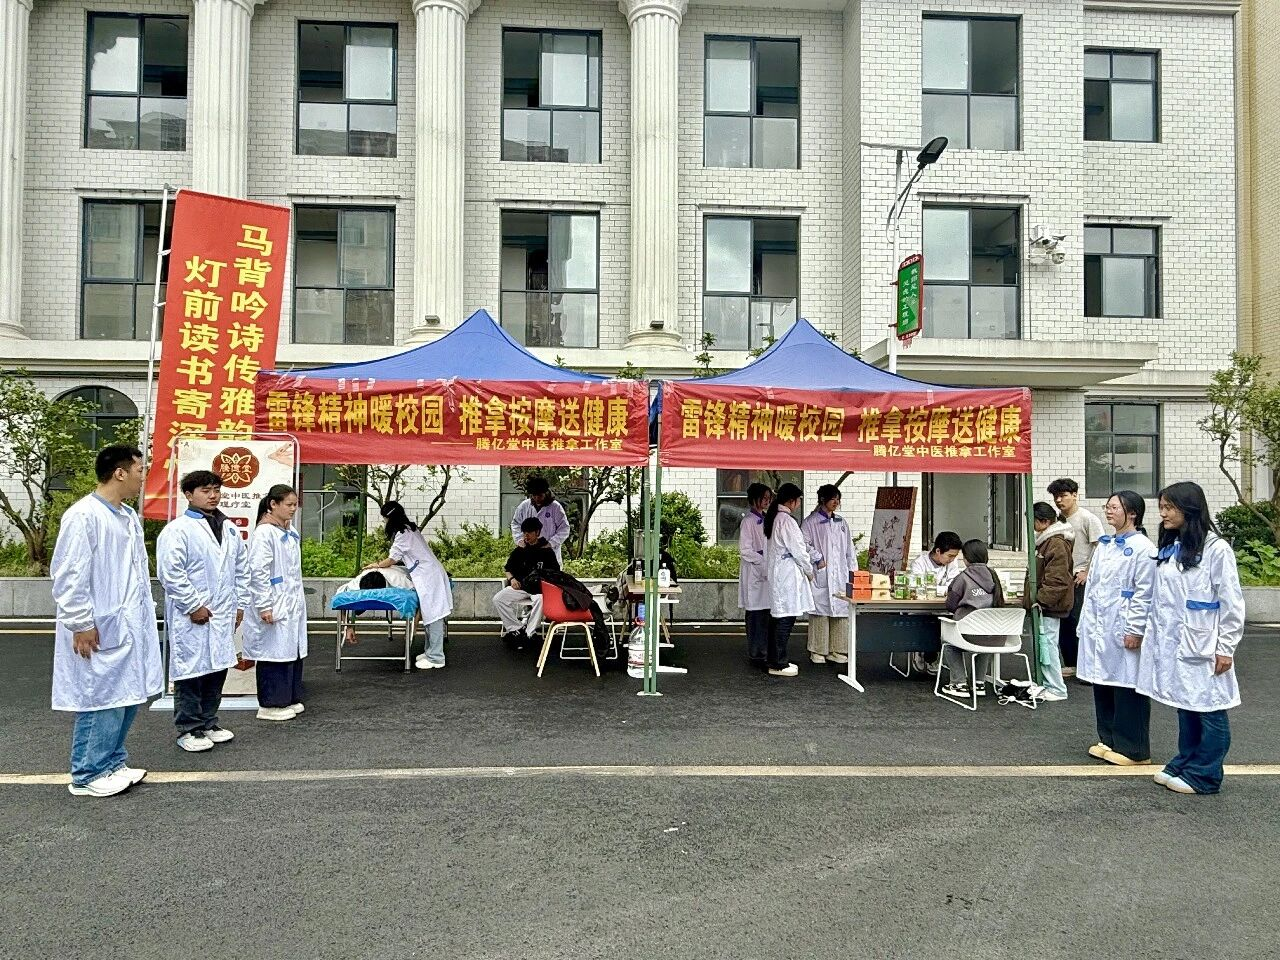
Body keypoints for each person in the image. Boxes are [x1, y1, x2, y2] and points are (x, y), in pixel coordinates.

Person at [51, 445, 163, 798]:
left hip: (128, 623)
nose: (143, 477)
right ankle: (87, 773)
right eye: (140, 470)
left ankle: (113, 761)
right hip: (98, 625)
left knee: (126, 695)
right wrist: (80, 622)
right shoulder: (84, 515)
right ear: (120, 472)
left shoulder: (127, 516)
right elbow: (69, 574)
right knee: (99, 698)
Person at [1137, 482, 1246, 795]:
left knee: (1210, 709)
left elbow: (1232, 603)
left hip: (1206, 645)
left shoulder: (1216, 550)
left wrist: (1226, 648)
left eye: (1169, 508)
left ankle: (1206, 774)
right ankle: (1186, 760)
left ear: (1190, 509)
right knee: (1186, 704)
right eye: (1162, 507)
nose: (1163, 514)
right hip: (1177, 644)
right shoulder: (1173, 547)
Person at [156, 470, 247, 753]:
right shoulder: (178, 530)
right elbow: (170, 573)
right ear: (189, 495)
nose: (213, 496)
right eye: (205, 491)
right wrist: (193, 605)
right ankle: (189, 727)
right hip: (192, 615)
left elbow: (241, 568)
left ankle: (209, 721)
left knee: (216, 668)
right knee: (190, 672)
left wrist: (240, 604)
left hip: (222, 612)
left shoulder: (229, 528)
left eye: (216, 490)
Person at [1077, 491, 1157, 765]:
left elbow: (1144, 593)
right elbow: (1093, 588)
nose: (1108, 511)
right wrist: (1085, 624)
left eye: (1114, 507)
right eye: (1107, 507)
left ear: (1132, 513)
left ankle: (1134, 748)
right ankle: (1109, 738)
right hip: (1100, 624)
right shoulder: (1105, 545)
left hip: (1122, 625)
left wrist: (1135, 628)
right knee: (1102, 680)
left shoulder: (1143, 548)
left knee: (1127, 685)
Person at [241, 485, 308, 722]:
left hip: (290, 600)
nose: (293, 509)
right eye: (288, 504)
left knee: (291, 651)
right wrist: (264, 605)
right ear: (273, 504)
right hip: (274, 600)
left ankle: (289, 697)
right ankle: (270, 704)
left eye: (295, 504)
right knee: (274, 653)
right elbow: (258, 572)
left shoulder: (289, 532)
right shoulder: (264, 533)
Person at [363, 501, 453, 671]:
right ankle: (431, 652)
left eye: (384, 519)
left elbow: (393, 558)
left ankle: (436, 657)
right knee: (430, 615)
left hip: (429, 576)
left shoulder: (403, 533)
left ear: (389, 518)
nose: (384, 522)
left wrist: (376, 565)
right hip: (429, 573)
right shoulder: (410, 528)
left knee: (433, 616)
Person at [1048, 478, 1105, 677]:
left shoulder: (1087, 518)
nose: (1059, 500)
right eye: (1056, 497)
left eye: (1063, 496)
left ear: (1074, 495)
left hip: (1079, 577)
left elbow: (1100, 547)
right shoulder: (1057, 521)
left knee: (1078, 621)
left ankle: (1084, 666)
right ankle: (1071, 663)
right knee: (1063, 620)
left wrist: (1087, 571)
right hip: (1061, 577)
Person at [939, 539, 1006, 698]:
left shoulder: (963, 577)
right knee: (985, 639)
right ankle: (978, 682)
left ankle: (959, 683)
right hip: (995, 636)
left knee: (949, 644)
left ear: (967, 558)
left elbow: (951, 605)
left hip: (968, 634)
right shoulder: (993, 576)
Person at [1024, 501, 1073, 702]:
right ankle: (1048, 684)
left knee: (1048, 646)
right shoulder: (1048, 540)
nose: (1030, 526)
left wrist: (1041, 600)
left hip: (1049, 605)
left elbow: (1057, 579)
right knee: (1045, 645)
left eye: (1032, 521)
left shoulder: (1055, 543)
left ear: (1044, 522)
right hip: (1047, 604)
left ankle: (1056, 688)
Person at [800, 484, 855, 666]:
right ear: (823, 499)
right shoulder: (810, 522)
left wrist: (853, 572)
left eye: (838, 499)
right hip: (822, 572)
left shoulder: (841, 523)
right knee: (820, 613)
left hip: (840, 573)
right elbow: (803, 544)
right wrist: (818, 558)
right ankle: (817, 650)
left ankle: (837, 649)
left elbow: (849, 550)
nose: (836, 502)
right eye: (833, 499)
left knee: (841, 611)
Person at [764, 482, 813, 678]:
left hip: (780, 574)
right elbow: (799, 550)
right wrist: (809, 570)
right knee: (785, 619)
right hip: (787, 576)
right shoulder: (787, 521)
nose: (799, 504)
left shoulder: (775, 517)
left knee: (778, 618)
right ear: (792, 501)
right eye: (798, 500)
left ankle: (774, 659)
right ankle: (779, 663)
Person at [494, 516, 560, 650]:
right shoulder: (520, 550)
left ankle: (530, 632)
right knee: (498, 599)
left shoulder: (546, 551)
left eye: (529, 532)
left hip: (539, 589)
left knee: (540, 600)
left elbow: (555, 573)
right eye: (524, 532)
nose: (526, 536)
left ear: (537, 532)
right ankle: (516, 629)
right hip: (521, 586)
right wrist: (512, 579)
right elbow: (508, 569)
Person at [908, 530, 965, 673]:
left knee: (946, 622)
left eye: (955, 556)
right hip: (921, 609)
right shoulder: (919, 563)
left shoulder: (952, 563)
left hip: (942, 608)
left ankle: (933, 655)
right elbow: (919, 588)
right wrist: (943, 590)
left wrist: (936, 589)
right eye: (950, 556)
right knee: (925, 621)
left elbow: (954, 585)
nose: (952, 560)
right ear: (938, 551)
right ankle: (920, 650)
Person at [737, 482, 773, 671]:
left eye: (768, 498)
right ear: (754, 499)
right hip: (754, 572)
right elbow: (745, 550)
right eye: (763, 498)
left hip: (766, 572)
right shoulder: (748, 521)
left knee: (766, 615)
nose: (767, 501)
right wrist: (762, 560)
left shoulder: (768, 519)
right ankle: (755, 652)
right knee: (755, 615)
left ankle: (765, 651)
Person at [509, 475, 570, 565]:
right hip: (528, 552)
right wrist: (519, 540)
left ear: (546, 493)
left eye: (540, 495)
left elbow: (564, 529)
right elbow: (516, 524)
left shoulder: (555, 507)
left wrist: (551, 543)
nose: (537, 498)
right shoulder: (524, 506)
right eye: (534, 495)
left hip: (549, 553)